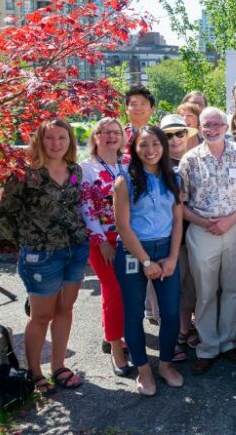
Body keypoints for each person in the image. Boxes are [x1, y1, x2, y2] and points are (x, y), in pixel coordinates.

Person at [0, 120, 89, 394]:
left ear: (70, 141)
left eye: (62, 137)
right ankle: (35, 373)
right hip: (41, 256)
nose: (56, 143)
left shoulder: (75, 170)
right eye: (50, 138)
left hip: (75, 249)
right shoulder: (25, 175)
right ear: (40, 140)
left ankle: (58, 366)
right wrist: (28, 243)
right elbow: (5, 215)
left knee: (65, 309)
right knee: (41, 316)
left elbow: (75, 206)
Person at [179, 107, 236, 375]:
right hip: (202, 232)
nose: (211, 129)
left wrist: (231, 219)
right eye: (206, 125)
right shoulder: (189, 160)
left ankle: (227, 343)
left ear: (227, 127)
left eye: (216, 124)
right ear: (200, 128)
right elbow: (180, 204)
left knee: (234, 289)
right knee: (205, 292)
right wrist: (205, 223)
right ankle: (208, 347)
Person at [112, 126, 185, 396]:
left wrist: (172, 258)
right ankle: (143, 370)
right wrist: (145, 262)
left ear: (164, 147)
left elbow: (178, 220)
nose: (150, 150)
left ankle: (165, 365)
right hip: (134, 252)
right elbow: (123, 226)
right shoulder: (125, 181)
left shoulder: (174, 178)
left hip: (166, 249)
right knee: (133, 314)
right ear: (134, 148)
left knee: (169, 312)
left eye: (156, 144)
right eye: (144, 145)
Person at [78, 117, 130, 377]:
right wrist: (100, 242)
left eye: (116, 132)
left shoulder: (129, 163)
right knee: (113, 291)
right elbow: (86, 208)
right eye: (105, 132)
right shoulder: (86, 168)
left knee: (129, 292)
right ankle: (115, 348)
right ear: (95, 136)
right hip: (103, 241)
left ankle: (115, 334)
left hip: (130, 238)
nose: (111, 136)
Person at [160, 114, 200, 358]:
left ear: (187, 136)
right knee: (169, 292)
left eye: (179, 133)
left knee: (189, 289)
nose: (174, 139)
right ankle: (171, 338)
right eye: (168, 135)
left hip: (193, 236)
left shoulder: (195, 162)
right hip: (167, 238)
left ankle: (184, 331)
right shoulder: (157, 165)